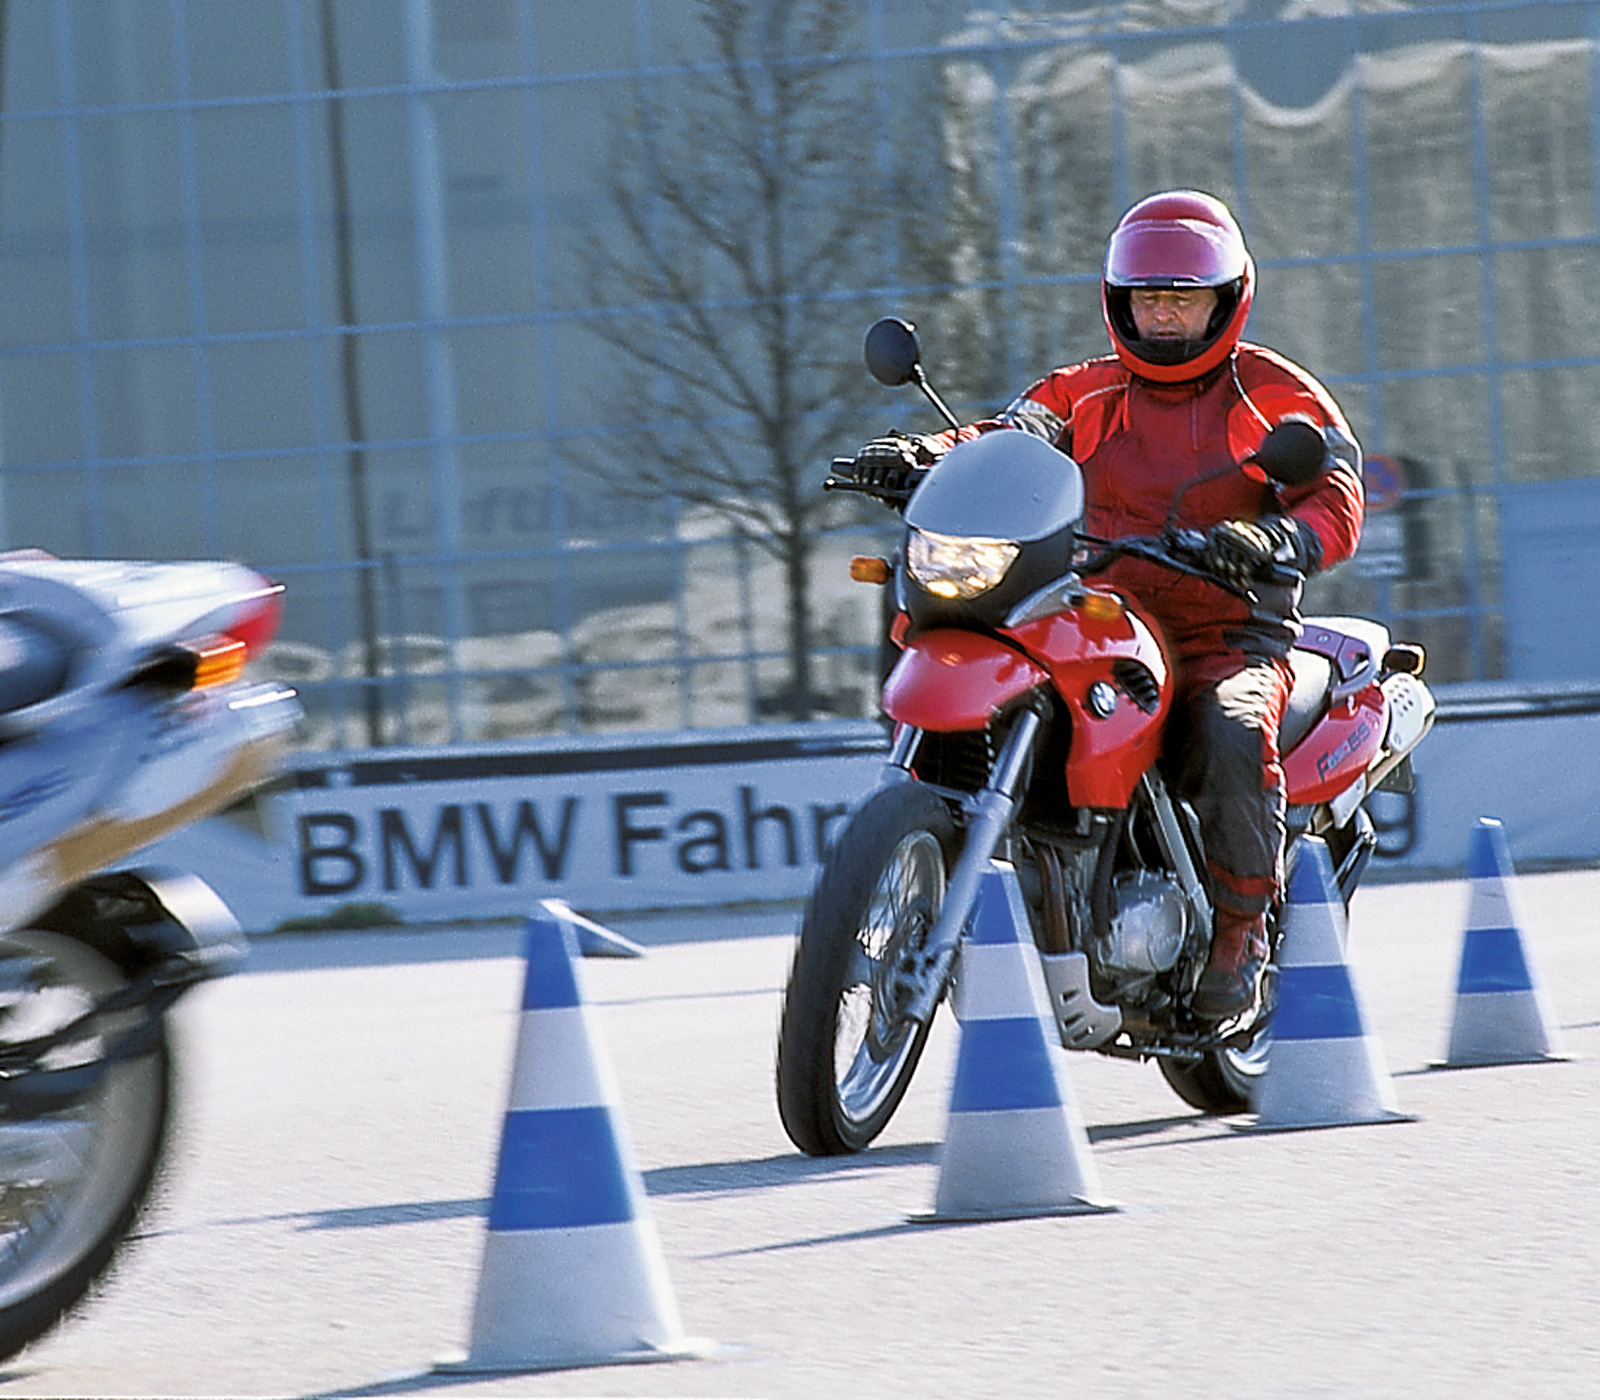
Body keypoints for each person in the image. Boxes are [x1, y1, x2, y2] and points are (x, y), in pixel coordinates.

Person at [851, 189, 1363, 1020]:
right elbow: (1007, 435)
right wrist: (924, 453)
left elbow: (1335, 491)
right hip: (1099, 615)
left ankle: (1241, 932)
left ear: (1224, 299)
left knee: (1231, 730)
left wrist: (1279, 541)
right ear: (1119, 301)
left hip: (1223, 632)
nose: (1162, 315)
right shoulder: (1087, 393)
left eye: (1182, 297)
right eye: (1147, 297)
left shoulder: (1273, 395)